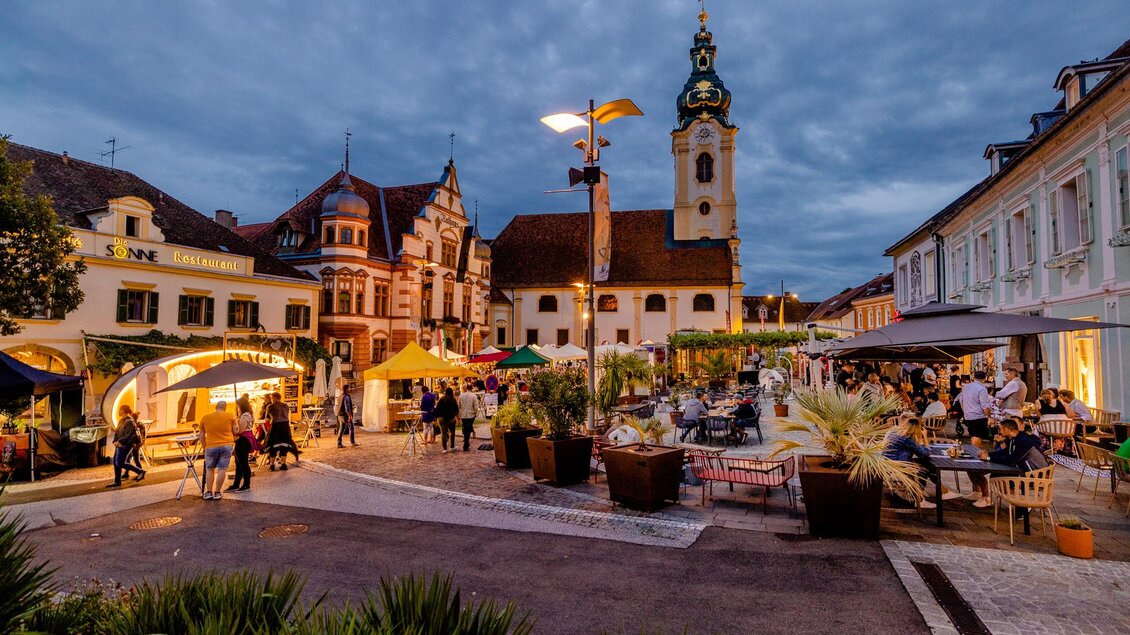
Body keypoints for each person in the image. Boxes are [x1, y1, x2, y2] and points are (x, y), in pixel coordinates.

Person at [966, 418, 1049, 509]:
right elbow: (1005, 452)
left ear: (1006, 430)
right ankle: (1016, 503)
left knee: (998, 477)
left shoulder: (1023, 441)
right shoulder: (1015, 438)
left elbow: (1011, 459)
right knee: (994, 474)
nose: (1000, 431)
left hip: (1035, 474)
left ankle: (1021, 504)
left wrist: (989, 458)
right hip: (1025, 470)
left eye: (1001, 429)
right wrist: (988, 454)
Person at [883, 415, 962, 509]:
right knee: (924, 470)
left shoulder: (894, 432)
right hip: (897, 467)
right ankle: (919, 499)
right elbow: (925, 453)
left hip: (888, 464)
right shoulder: (907, 439)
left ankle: (943, 491)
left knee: (926, 464)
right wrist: (924, 436)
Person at [199, 401, 238, 500]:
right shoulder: (231, 416)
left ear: (216, 407)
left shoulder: (205, 418)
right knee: (222, 469)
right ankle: (217, 492)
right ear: (225, 408)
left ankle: (208, 492)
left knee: (209, 469)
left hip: (211, 445)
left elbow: (201, 435)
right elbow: (236, 430)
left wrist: (204, 447)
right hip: (227, 445)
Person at [107, 405, 146, 487]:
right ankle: (117, 481)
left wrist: (120, 441)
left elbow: (127, 434)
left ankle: (140, 471)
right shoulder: (121, 420)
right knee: (115, 462)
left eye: (120, 410)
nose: (119, 411)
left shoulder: (129, 421)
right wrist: (115, 441)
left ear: (123, 411)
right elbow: (117, 432)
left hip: (126, 444)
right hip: (119, 444)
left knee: (120, 463)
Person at [263, 392, 299, 471]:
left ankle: (272, 465)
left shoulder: (270, 406)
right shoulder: (286, 406)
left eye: (272, 398)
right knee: (284, 445)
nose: (271, 400)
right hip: (285, 427)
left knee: (272, 444)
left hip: (276, 426)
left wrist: (269, 419)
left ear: (275, 398)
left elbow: (267, 418)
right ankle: (284, 464)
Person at [957, 371, 994, 448]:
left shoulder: (966, 387)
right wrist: (989, 416)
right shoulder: (982, 389)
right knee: (977, 435)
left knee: (973, 434)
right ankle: (975, 452)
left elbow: (961, 400)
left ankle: (975, 451)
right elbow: (985, 405)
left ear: (974, 377)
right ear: (985, 378)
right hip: (978, 416)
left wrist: (966, 411)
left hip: (968, 415)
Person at [227, 397, 257, 492]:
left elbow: (240, 430)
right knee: (239, 463)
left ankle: (246, 485)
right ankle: (236, 484)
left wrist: (234, 427)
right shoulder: (248, 414)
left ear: (241, 405)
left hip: (243, 440)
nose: (237, 407)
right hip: (245, 440)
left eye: (238, 405)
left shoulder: (245, 416)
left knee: (243, 463)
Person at [434, 387, 459, 453]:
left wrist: (437, 417)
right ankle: (452, 446)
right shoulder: (453, 400)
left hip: (441, 418)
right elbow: (456, 410)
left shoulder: (441, 399)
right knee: (452, 432)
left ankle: (444, 448)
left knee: (443, 433)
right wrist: (457, 417)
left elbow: (437, 409)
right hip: (451, 418)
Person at [457, 384, 481, 452]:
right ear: (472, 388)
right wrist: (476, 413)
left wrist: (459, 414)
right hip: (471, 415)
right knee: (468, 429)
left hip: (463, 415)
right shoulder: (473, 396)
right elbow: (476, 406)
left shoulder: (461, 396)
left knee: (466, 428)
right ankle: (466, 444)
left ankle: (466, 443)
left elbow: (458, 405)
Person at [337, 383, 357, 448]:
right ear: (346, 389)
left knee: (341, 429)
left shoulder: (340, 396)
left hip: (340, 415)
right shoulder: (346, 397)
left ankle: (339, 443)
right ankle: (353, 442)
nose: (350, 389)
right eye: (349, 388)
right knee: (351, 427)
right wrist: (349, 416)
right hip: (345, 415)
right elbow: (347, 407)